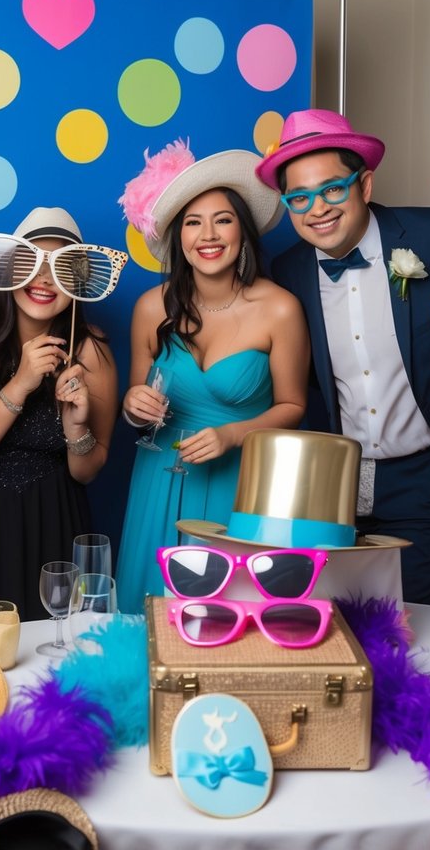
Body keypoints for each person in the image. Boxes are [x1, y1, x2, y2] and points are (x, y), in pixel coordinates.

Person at [258, 109, 430, 607]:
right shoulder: (287, 270)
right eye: (300, 197)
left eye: (333, 189)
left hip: (426, 477)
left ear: (365, 184)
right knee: (332, 627)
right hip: (331, 483)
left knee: (422, 626)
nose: (318, 209)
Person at [115, 141, 309, 612]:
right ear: (178, 236)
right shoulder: (149, 308)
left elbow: (294, 406)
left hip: (239, 482)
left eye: (223, 219)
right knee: (147, 619)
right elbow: (138, 405)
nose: (209, 234)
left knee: (230, 619)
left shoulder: (279, 308)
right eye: (193, 222)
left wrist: (233, 433)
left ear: (242, 230)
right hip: (160, 477)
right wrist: (131, 405)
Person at [0, 207, 118, 622]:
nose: (43, 279)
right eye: (30, 262)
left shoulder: (91, 351)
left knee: (52, 661)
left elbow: (88, 470)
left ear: (78, 282)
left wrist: (77, 430)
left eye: (60, 268)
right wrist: (20, 383)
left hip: (53, 522)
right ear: (7, 271)